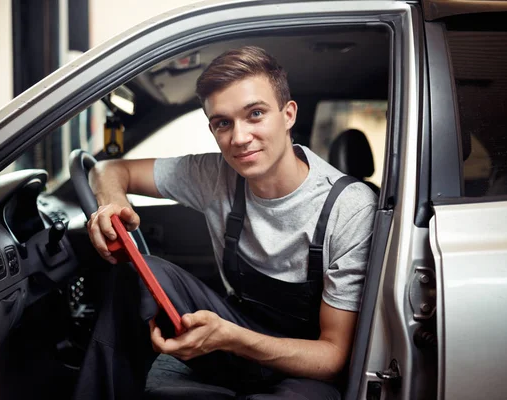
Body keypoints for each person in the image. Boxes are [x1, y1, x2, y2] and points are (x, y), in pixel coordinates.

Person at [74, 46, 377, 399]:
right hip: (236, 330)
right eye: (223, 123)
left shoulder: (350, 208)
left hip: (305, 366)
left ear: (288, 114)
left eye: (256, 114)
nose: (239, 138)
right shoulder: (213, 174)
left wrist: (232, 338)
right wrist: (112, 205)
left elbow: (334, 357)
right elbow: (108, 168)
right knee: (138, 272)